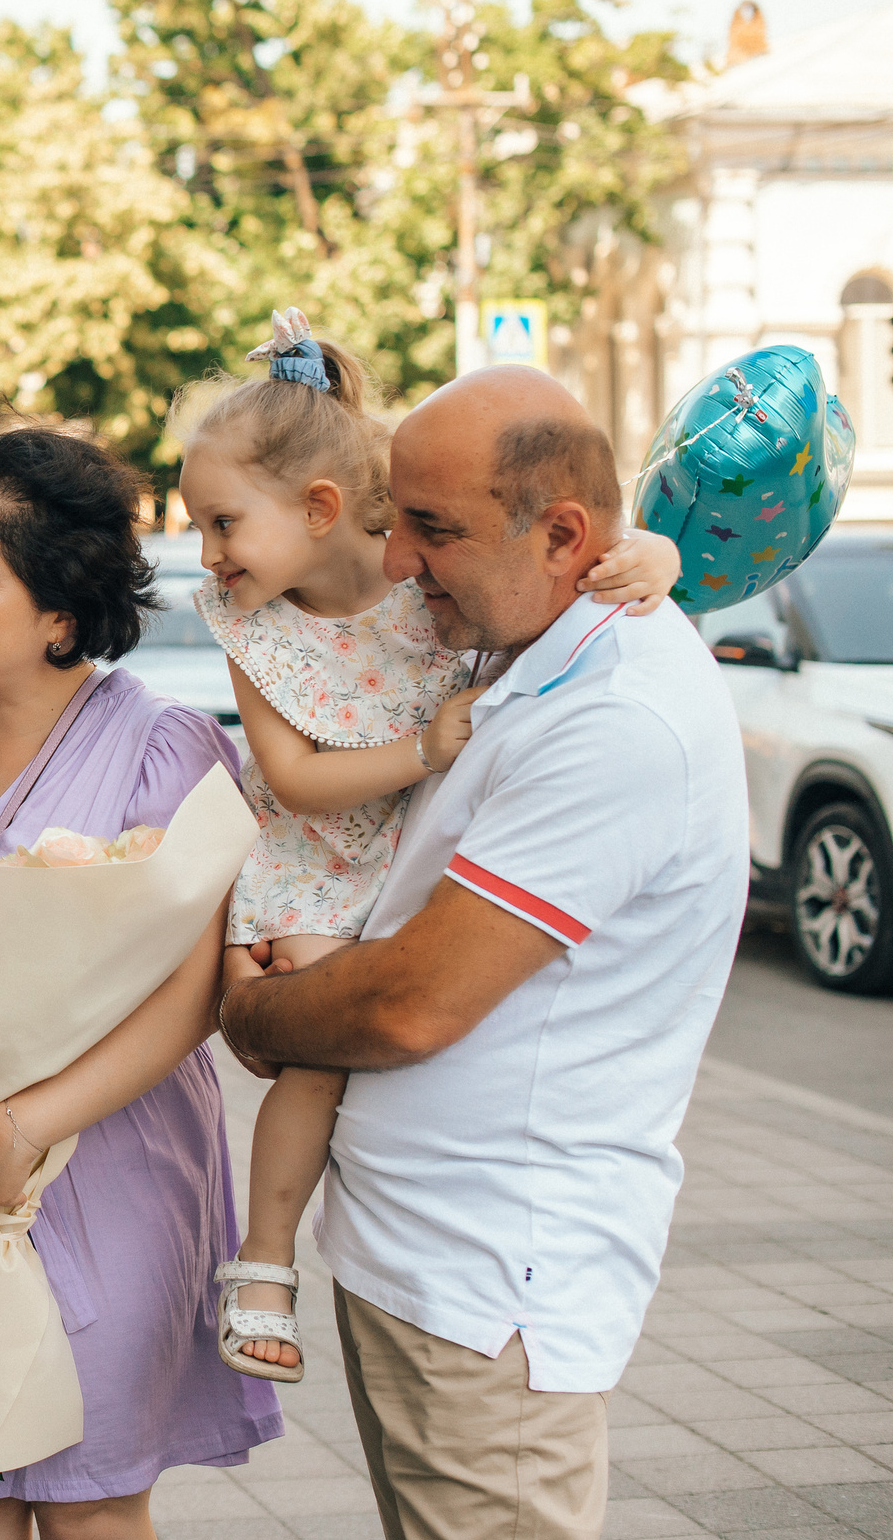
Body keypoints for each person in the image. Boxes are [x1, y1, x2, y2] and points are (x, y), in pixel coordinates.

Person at [215, 366, 749, 1540]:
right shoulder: (533, 645)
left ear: (562, 535)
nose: (400, 559)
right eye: (396, 518)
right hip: (427, 1253)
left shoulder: (618, 714)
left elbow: (414, 1000)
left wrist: (255, 1007)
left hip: (491, 1274)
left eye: (435, 528)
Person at [175, 310, 678, 1381]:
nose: (207, 554)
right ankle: (264, 1256)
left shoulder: (435, 577)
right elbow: (299, 778)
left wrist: (658, 553)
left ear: (318, 508)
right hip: (314, 856)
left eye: (221, 523)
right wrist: (421, 744)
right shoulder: (252, 627)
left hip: (416, 849)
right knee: (309, 1053)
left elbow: (586, 543)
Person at [0, 416, 283, 1540]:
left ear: (58, 609)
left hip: (105, 1153)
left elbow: (192, 988)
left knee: (92, 1505)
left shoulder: (163, 748)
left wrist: (23, 1124)